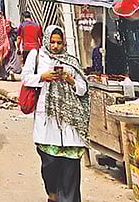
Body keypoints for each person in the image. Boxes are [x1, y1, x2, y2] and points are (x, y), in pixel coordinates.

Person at [23, 26, 90, 202]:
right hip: (47, 121)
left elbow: (84, 89)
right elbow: (26, 78)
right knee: (49, 164)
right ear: (46, 40)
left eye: (59, 43)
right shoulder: (37, 56)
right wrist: (42, 77)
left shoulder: (71, 61)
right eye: (52, 42)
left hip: (70, 124)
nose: (55, 46)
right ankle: (52, 195)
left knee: (70, 170)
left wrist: (71, 80)